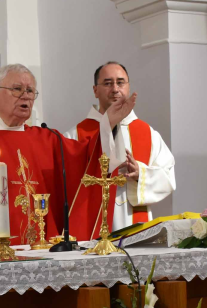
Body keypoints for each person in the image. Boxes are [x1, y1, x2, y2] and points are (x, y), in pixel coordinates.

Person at [0, 64, 136, 243]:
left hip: (42, 246)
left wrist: (109, 123)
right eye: (17, 89)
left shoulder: (49, 140)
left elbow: (89, 159)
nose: (26, 96)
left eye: (30, 91)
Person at [65, 62, 175, 231]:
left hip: (133, 221)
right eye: (108, 83)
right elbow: (68, 183)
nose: (115, 89)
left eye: (120, 82)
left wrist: (141, 173)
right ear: (95, 90)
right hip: (93, 223)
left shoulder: (149, 134)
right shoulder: (75, 135)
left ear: (128, 87)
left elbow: (168, 177)